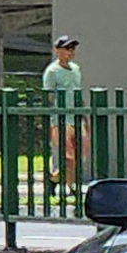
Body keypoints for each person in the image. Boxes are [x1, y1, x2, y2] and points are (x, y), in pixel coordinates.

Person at [42, 35, 89, 195]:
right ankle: (71, 187)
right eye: (67, 48)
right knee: (68, 155)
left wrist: (84, 116)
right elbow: (47, 96)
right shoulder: (52, 71)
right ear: (57, 51)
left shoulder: (76, 69)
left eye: (72, 48)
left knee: (80, 153)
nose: (70, 52)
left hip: (76, 117)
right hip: (59, 118)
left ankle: (54, 178)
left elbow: (78, 93)